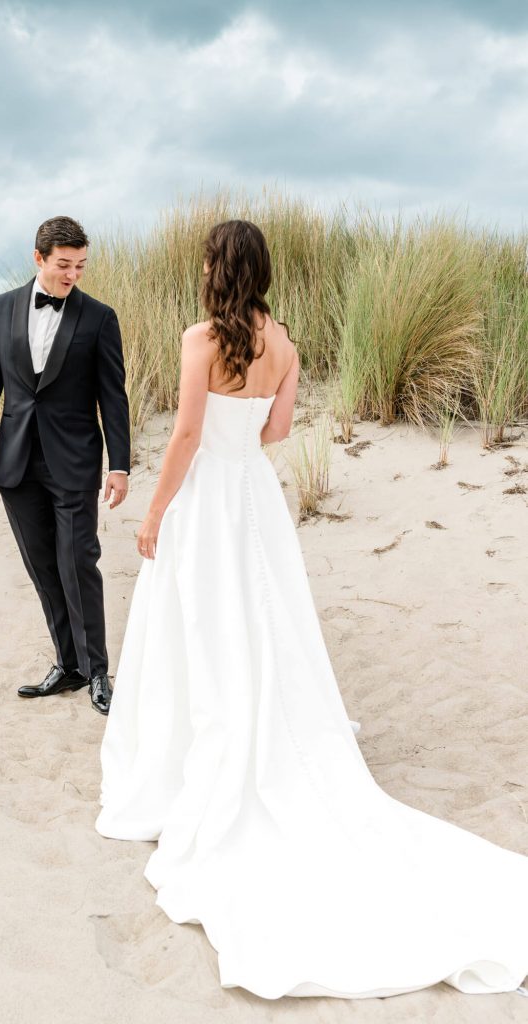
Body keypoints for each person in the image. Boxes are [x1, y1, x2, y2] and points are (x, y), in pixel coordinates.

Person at [94, 219, 528, 999]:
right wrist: (240, 434)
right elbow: (280, 428)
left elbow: (186, 433)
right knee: (264, 623)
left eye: (205, 262)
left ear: (218, 270)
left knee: (204, 626)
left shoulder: (200, 339)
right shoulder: (285, 342)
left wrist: (156, 512)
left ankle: (195, 749)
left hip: (207, 501)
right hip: (254, 497)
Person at [0, 216, 130, 714]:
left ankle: (97, 672)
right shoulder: (1, 309)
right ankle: (69, 664)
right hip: (17, 465)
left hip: (74, 462)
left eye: (80, 265)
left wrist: (119, 465)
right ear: (38, 258)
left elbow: (113, 397)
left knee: (78, 564)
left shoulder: (99, 318)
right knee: (43, 569)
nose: (72, 274)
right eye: (64, 264)